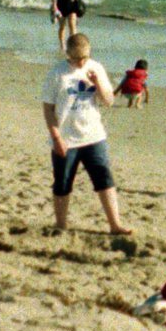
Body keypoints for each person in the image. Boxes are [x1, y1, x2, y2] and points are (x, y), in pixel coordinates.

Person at [42, 33, 131, 237]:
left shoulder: (96, 68)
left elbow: (108, 101)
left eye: (84, 57)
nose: (81, 62)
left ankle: (115, 225)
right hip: (66, 138)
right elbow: (48, 109)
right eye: (76, 58)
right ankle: (61, 224)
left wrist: (97, 82)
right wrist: (56, 138)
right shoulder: (57, 74)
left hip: (93, 135)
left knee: (104, 178)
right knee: (63, 182)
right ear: (68, 54)